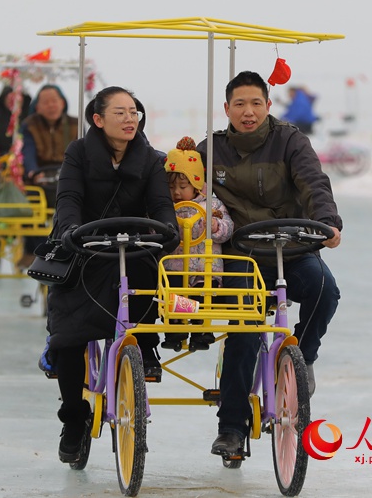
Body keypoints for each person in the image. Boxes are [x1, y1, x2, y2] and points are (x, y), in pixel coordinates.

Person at [196, 71, 342, 459]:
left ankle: (303, 356)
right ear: (226, 109)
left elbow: (314, 183)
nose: (248, 112)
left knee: (325, 289)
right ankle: (231, 428)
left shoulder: (291, 140)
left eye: (256, 103)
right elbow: (185, 188)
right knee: (244, 334)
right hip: (240, 255)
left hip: (289, 247)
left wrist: (328, 221)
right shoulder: (209, 149)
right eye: (240, 104)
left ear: (268, 105)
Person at [46, 86, 178, 464]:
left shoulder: (152, 160)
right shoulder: (78, 153)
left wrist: (166, 230)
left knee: (149, 274)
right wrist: (70, 230)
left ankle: (145, 346)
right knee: (68, 331)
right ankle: (73, 417)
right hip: (86, 250)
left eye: (134, 111)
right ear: (98, 119)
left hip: (135, 248)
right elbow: (68, 199)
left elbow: (161, 204)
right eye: (120, 112)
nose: (129, 118)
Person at [161, 136, 234, 352]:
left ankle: (202, 331)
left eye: (182, 186)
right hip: (174, 267)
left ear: (196, 184)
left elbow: (228, 229)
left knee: (202, 296)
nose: (176, 192)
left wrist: (215, 226)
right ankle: (175, 331)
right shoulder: (165, 207)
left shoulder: (212, 205)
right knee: (174, 298)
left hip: (205, 267)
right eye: (171, 186)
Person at [18, 84, 79, 269]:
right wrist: (33, 171)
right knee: (29, 207)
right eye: (46, 102)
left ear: (62, 103)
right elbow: (27, 152)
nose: (51, 106)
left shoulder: (75, 124)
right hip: (40, 179)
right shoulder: (29, 125)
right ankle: (33, 249)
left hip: (67, 176)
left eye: (54, 101)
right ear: (37, 106)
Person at [0, 85, 32, 156]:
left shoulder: (30, 117)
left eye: (18, 98)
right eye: (10, 98)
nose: (14, 101)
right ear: (3, 99)